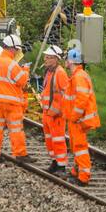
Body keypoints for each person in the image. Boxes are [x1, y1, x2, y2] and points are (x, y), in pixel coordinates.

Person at [0, 33, 30, 162]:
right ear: (12, 48)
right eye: (17, 49)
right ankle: (20, 154)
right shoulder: (12, 64)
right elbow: (22, 81)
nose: (17, 52)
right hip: (12, 102)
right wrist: (26, 70)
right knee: (16, 129)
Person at [65, 47, 101, 185]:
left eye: (67, 59)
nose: (65, 62)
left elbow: (81, 99)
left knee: (80, 147)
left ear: (70, 61)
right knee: (76, 146)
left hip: (78, 119)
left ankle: (84, 176)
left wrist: (75, 116)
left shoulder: (79, 77)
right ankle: (77, 171)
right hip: (76, 118)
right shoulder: (78, 75)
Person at [38, 44, 72, 175]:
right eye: (45, 57)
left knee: (58, 140)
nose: (45, 59)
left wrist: (60, 111)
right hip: (48, 113)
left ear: (56, 59)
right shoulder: (49, 72)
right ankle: (54, 162)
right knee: (49, 140)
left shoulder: (60, 73)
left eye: (48, 57)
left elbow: (66, 95)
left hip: (56, 114)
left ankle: (61, 166)